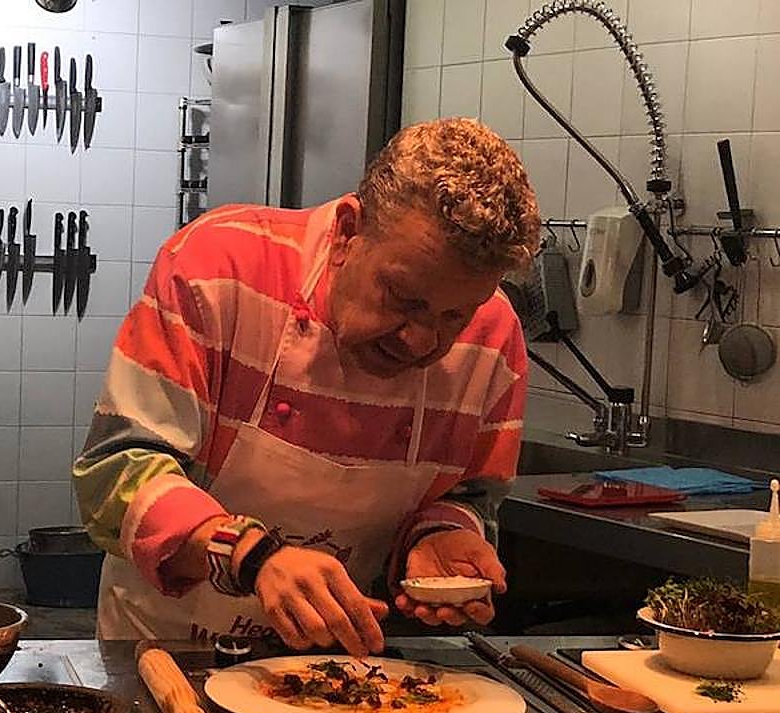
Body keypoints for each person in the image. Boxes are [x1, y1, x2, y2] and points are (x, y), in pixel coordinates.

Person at [73, 118, 539, 656]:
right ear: (347, 231)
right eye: (401, 298)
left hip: (332, 663)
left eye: (453, 316)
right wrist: (251, 556)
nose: (420, 339)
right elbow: (118, 470)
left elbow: (467, 496)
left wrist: (441, 537)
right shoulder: (220, 268)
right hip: (170, 652)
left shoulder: (495, 338)